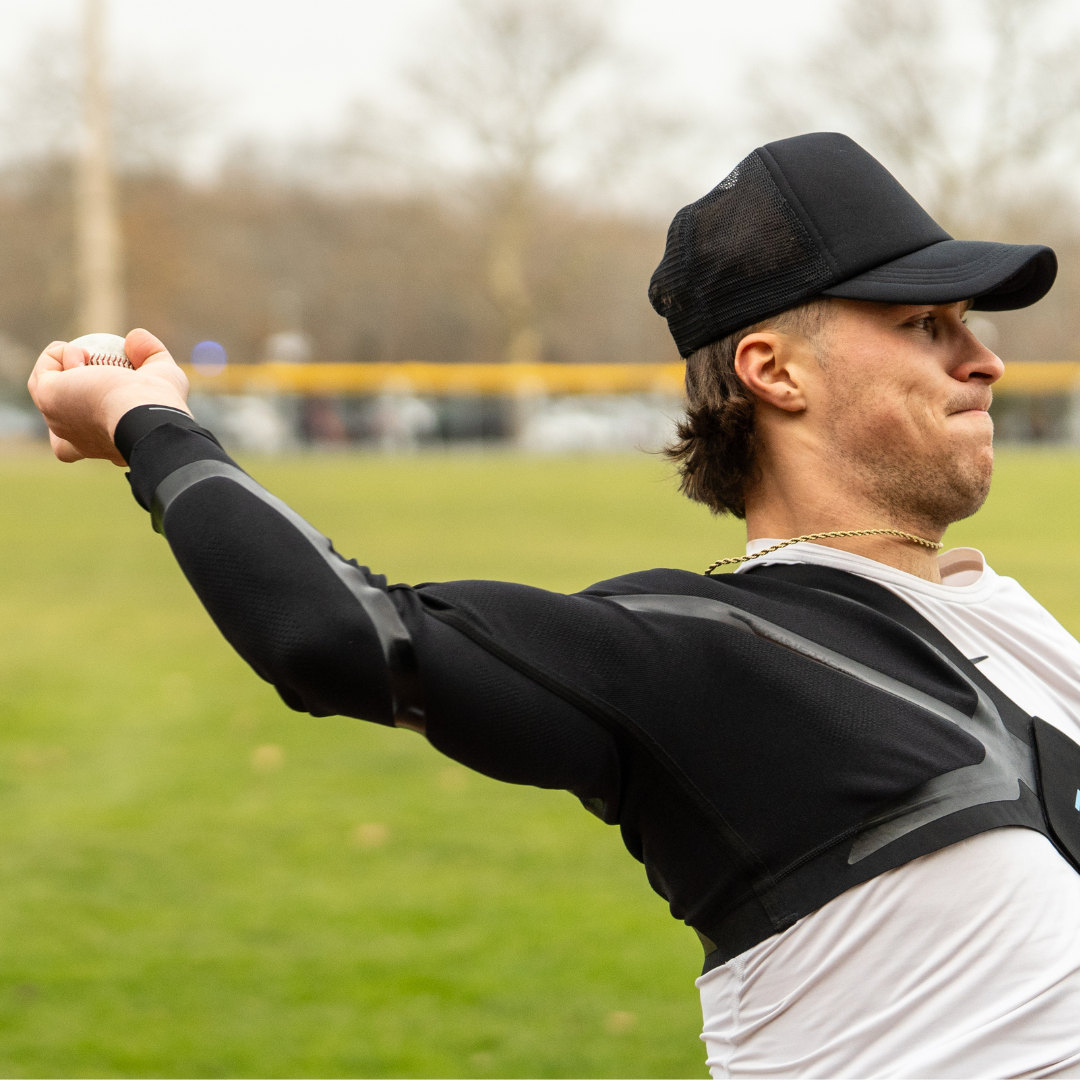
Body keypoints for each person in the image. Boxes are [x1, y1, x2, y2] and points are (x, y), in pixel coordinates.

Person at [29, 132, 1080, 1079]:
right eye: (924, 324)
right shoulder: (698, 655)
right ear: (773, 370)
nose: (983, 358)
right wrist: (145, 420)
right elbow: (334, 635)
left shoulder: (1011, 622)